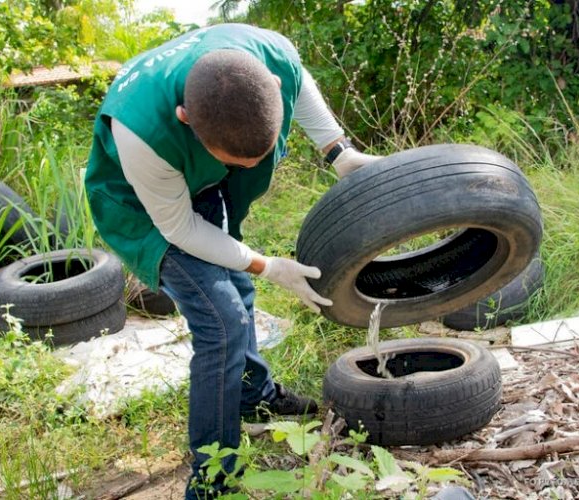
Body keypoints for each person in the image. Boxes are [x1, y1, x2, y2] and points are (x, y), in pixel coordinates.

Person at [84, 23, 380, 498]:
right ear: (185, 118)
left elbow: (299, 80)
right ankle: (213, 482)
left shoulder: (270, 57)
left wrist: (337, 152)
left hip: (200, 183)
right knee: (220, 320)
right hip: (144, 207)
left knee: (236, 289)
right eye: (233, 161)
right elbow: (180, 228)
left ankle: (253, 395)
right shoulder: (142, 132)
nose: (246, 172)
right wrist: (268, 265)